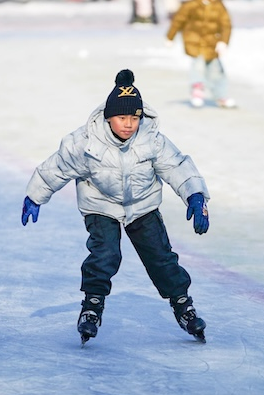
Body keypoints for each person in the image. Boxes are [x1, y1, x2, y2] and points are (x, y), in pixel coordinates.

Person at [21, 69, 210, 344]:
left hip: (142, 204)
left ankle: (183, 305)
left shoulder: (151, 138)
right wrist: (35, 195)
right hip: (101, 204)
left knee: (160, 257)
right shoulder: (85, 142)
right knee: (105, 254)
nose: (129, 124)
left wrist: (195, 194)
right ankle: (92, 305)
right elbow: (57, 167)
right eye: (122, 118)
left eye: (134, 117)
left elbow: (176, 165)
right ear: (109, 117)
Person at [166, 0, 234, 109]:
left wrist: (223, 42)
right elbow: (178, 21)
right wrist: (170, 37)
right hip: (194, 43)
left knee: (217, 70)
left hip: (211, 44)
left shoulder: (219, 6)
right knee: (198, 66)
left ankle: (220, 95)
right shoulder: (191, 5)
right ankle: (197, 90)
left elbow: (226, 25)